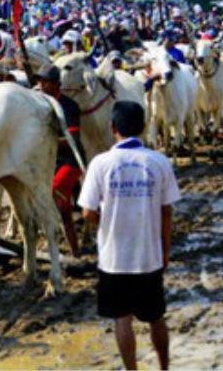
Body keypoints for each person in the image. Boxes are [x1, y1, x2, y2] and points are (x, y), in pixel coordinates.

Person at [79, 100, 180, 371]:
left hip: (113, 258)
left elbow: (87, 212)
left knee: (122, 319)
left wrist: (107, 221)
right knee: (156, 317)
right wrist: (165, 250)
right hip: (149, 255)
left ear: (112, 127)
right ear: (144, 126)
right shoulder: (159, 161)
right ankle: (164, 367)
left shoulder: (100, 164)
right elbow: (167, 211)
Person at [35, 65, 86, 256]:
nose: (41, 85)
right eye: (39, 81)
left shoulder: (70, 106)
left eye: (45, 82)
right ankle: (75, 251)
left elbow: (72, 140)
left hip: (71, 161)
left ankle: (54, 243)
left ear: (57, 84)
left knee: (53, 197)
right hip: (51, 162)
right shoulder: (39, 103)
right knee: (64, 211)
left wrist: (46, 141)